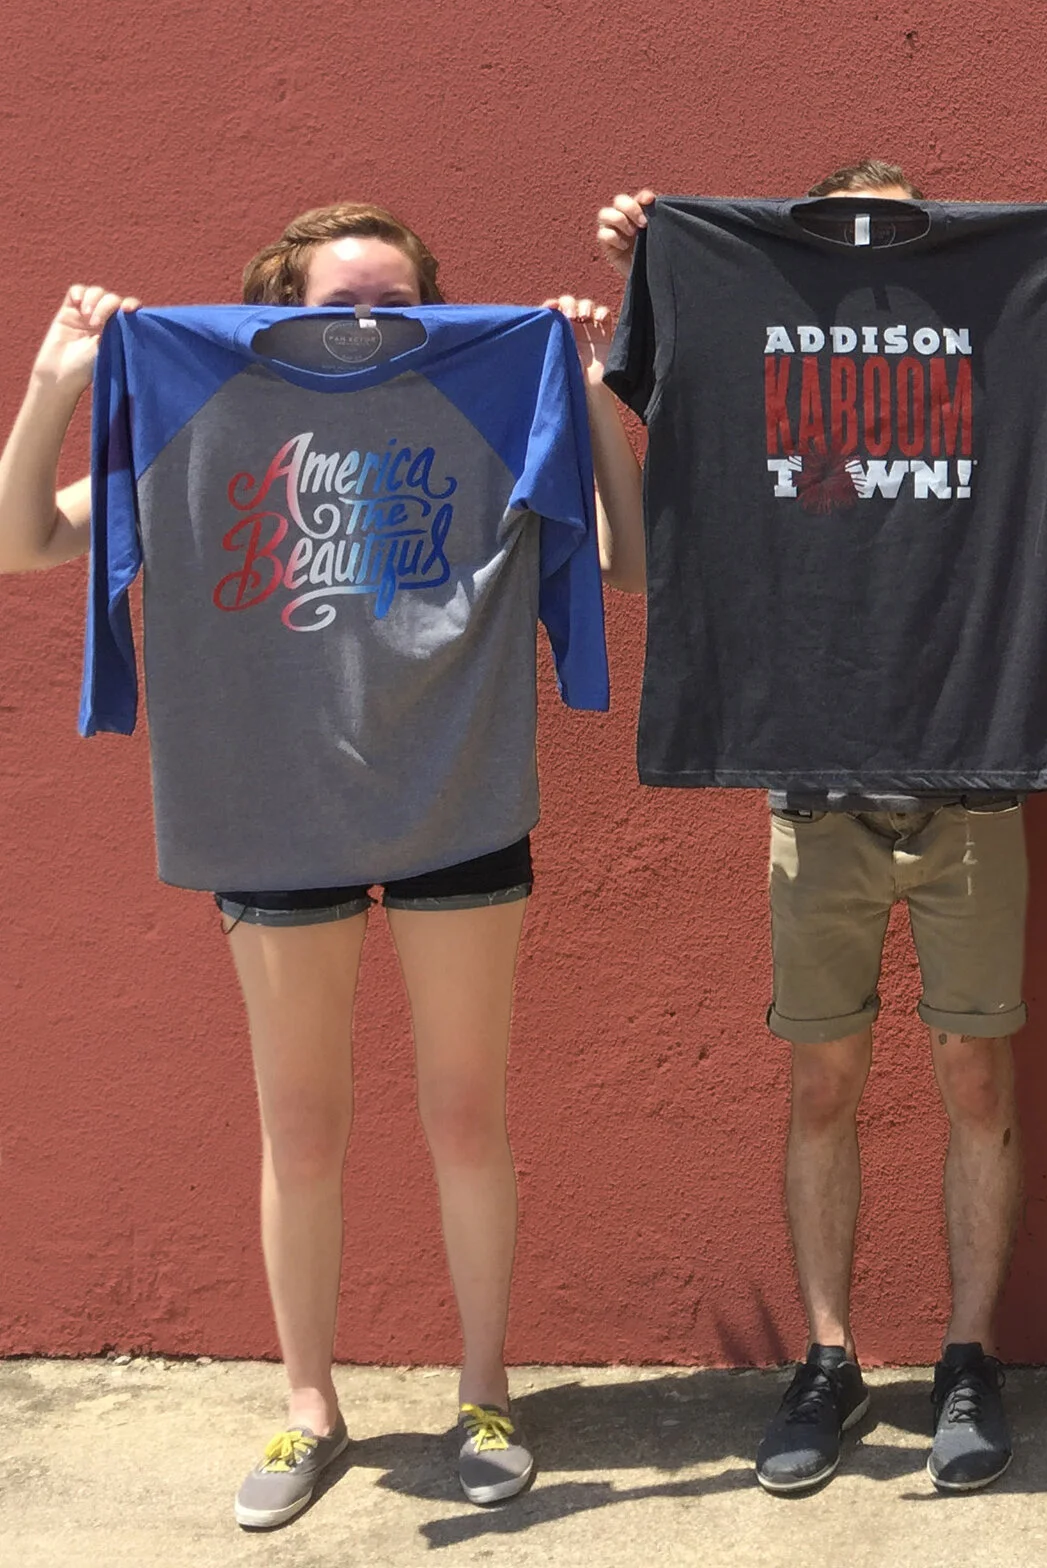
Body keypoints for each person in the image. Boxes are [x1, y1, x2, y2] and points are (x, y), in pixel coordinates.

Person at [0, 203, 646, 1529]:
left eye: (394, 301)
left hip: (454, 797)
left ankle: (484, 1390)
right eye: (340, 298)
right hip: (267, 805)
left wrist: (584, 401)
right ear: (270, 296)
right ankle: (309, 1407)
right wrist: (54, 388)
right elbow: (23, 541)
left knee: (466, 1114)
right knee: (300, 1130)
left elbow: (626, 560)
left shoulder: (480, 389)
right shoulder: (195, 391)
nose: (367, 320)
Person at [590, 159, 1047, 1495]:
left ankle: (968, 1356)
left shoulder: (1002, 319)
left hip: (971, 770)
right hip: (811, 769)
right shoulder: (732, 293)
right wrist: (646, 261)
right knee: (824, 1083)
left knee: (974, 1082)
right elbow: (653, 429)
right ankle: (831, 1361)